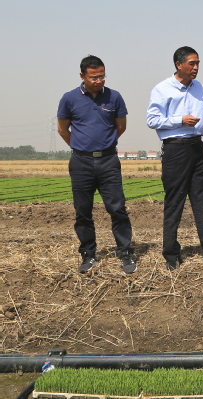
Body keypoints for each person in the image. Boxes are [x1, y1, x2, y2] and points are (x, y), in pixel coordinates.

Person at [146, 46, 203, 270]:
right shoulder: (162, 89)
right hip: (175, 150)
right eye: (191, 64)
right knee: (174, 202)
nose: (196, 68)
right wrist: (180, 120)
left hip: (197, 148)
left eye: (197, 64)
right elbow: (152, 120)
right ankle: (171, 254)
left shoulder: (198, 87)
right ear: (179, 65)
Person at [57, 55, 136, 274]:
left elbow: (121, 127)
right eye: (94, 77)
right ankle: (88, 254)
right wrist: (82, 147)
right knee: (83, 211)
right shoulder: (69, 99)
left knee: (117, 208)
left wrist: (104, 144)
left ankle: (125, 252)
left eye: (102, 76)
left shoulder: (114, 97)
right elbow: (62, 129)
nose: (99, 81)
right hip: (81, 162)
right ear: (82, 76)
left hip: (109, 161)